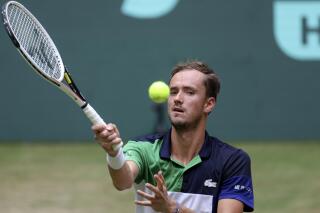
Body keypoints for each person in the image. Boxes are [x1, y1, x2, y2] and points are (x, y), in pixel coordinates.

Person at [92, 60, 254, 213]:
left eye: (189, 92)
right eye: (173, 92)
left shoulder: (232, 161)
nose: (177, 99)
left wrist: (172, 208)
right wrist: (114, 153)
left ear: (208, 104)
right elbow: (123, 181)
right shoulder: (143, 148)